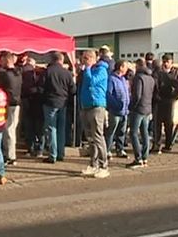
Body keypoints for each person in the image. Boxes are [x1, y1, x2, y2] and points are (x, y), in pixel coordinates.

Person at [38, 51, 76, 164]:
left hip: (50, 103)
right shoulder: (67, 73)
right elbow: (73, 90)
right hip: (63, 103)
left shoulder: (46, 72)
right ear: (62, 60)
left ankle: (52, 155)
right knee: (61, 129)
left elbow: (40, 88)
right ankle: (60, 153)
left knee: (51, 129)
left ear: (52, 59)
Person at [79, 50, 110, 178]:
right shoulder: (87, 71)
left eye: (85, 59)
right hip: (86, 106)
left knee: (98, 136)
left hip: (97, 106)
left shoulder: (101, 70)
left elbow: (92, 81)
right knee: (90, 138)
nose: (83, 61)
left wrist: (87, 69)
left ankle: (104, 166)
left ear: (91, 59)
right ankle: (93, 164)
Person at [126, 59, 156, 168]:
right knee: (145, 133)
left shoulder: (138, 78)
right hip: (147, 108)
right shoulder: (151, 78)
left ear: (138, 66)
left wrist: (132, 106)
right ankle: (145, 158)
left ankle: (138, 158)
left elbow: (137, 95)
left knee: (133, 133)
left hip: (138, 109)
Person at [152, 54, 178, 154]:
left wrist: (174, 97)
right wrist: (156, 97)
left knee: (169, 124)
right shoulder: (157, 73)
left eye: (167, 62)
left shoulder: (176, 73)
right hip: (159, 101)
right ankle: (157, 145)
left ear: (171, 63)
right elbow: (155, 87)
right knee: (157, 124)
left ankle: (168, 144)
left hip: (170, 102)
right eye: (164, 61)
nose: (165, 64)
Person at [0, 52, 22, 165]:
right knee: (12, 129)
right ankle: (10, 154)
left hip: (8, 103)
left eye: (2, 60)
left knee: (8, 130)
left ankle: (10, 156)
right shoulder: (18, 73)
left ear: (7, 61)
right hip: (17, 103)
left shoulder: (4, 75)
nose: (0, 63)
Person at [105, 60, 130, 160]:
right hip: (115, 110)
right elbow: (109, 94)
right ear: (120, 67)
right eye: (125, 67)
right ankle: (107, 150)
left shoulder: (123, 79)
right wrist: (116, 105)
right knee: (111, 131)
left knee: (122, 131)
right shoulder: (111, 79)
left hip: (125, 110)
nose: (127, 69)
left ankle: (120, 149)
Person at [21, 56, 44, 157]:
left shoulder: (23, 73)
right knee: (39, 128)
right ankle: (39, 149)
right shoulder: (41, 73)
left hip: (28, 102)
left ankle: (30, 148)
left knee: (29, 128)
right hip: (38, 103)